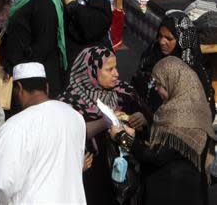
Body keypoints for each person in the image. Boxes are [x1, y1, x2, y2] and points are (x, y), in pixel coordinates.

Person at [110, 56, 216, 205]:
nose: (156, 89)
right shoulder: (194, 105)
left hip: (172, 192)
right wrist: (145, 128)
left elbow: (155, 156)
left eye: (159, 84)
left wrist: (121, 137)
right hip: (189, 190)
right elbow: (168, 146)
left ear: (173, 83)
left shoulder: (179, 117)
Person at [58, 46, 149, 205]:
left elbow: (144, 131)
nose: (117, 74)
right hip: (90, 175)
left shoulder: (124, 93)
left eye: (116, 67)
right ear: (91, 71)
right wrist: (106, 120)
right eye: (109, 69)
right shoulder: (69, 102)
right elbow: (69, 135)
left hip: (121, 173)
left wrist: (142, 120)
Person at [0, 62, 86, 204]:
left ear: (19, 89)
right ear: (47, 88)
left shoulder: (16, 126)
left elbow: (1, 183)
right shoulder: (75, 117)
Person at [132, 11, 215, 119]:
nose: (162, 42)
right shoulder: (153, 54)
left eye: (169, 38)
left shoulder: (193, 71)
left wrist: (150, 120)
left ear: (182, 40)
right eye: (160, 36)